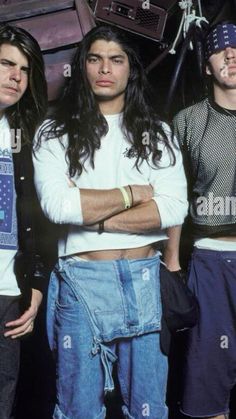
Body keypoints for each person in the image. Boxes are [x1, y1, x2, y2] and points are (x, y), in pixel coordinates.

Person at [33, 24, 188, 419]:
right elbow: (58, 206)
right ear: (82, 67)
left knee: (149, 409)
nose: (105, 68)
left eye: (116, 60)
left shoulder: (159, 134)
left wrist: (93, 217)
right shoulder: (54, 133)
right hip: (81, 281)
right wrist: (135, 194)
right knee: (78, 409)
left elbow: (172, 209)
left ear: (130, 70)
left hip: (144, 279)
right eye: (95, 59)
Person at [173, 21, 236, 419]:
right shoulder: (188, 121)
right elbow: (172, 198)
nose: (231, 54)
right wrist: (172, 261)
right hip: (211, 259)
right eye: (221, 49)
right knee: (209, 384)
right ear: (207, 65)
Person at [0, 24, 49, 419]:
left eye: (24, 69)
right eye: (5, 63)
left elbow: (36, 220)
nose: (15, 76)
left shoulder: (25, 135)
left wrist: (34, 285)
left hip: (7, 293)